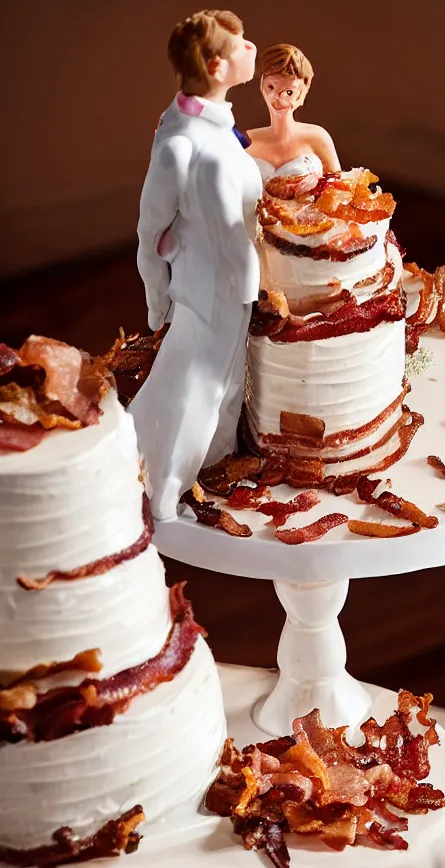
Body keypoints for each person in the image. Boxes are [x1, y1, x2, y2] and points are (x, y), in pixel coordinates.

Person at [130, 10, 261, 521]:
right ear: (215, 65)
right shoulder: (180, 144)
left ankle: (214, 464)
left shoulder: (215, 127)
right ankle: (163, 480)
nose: (251, 49)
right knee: (196, 380)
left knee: (225, 381)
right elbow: (149, 230)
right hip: (207, 289)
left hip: (233, 286)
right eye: (241, 45)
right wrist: (155, 295)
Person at [246, 43, 341, 183]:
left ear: (304, 90)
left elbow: (340, 191)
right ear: (262, 84)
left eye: (289, 92)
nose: (277, 98)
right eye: (270, 87)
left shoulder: (317, 137)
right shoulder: (245, 141)